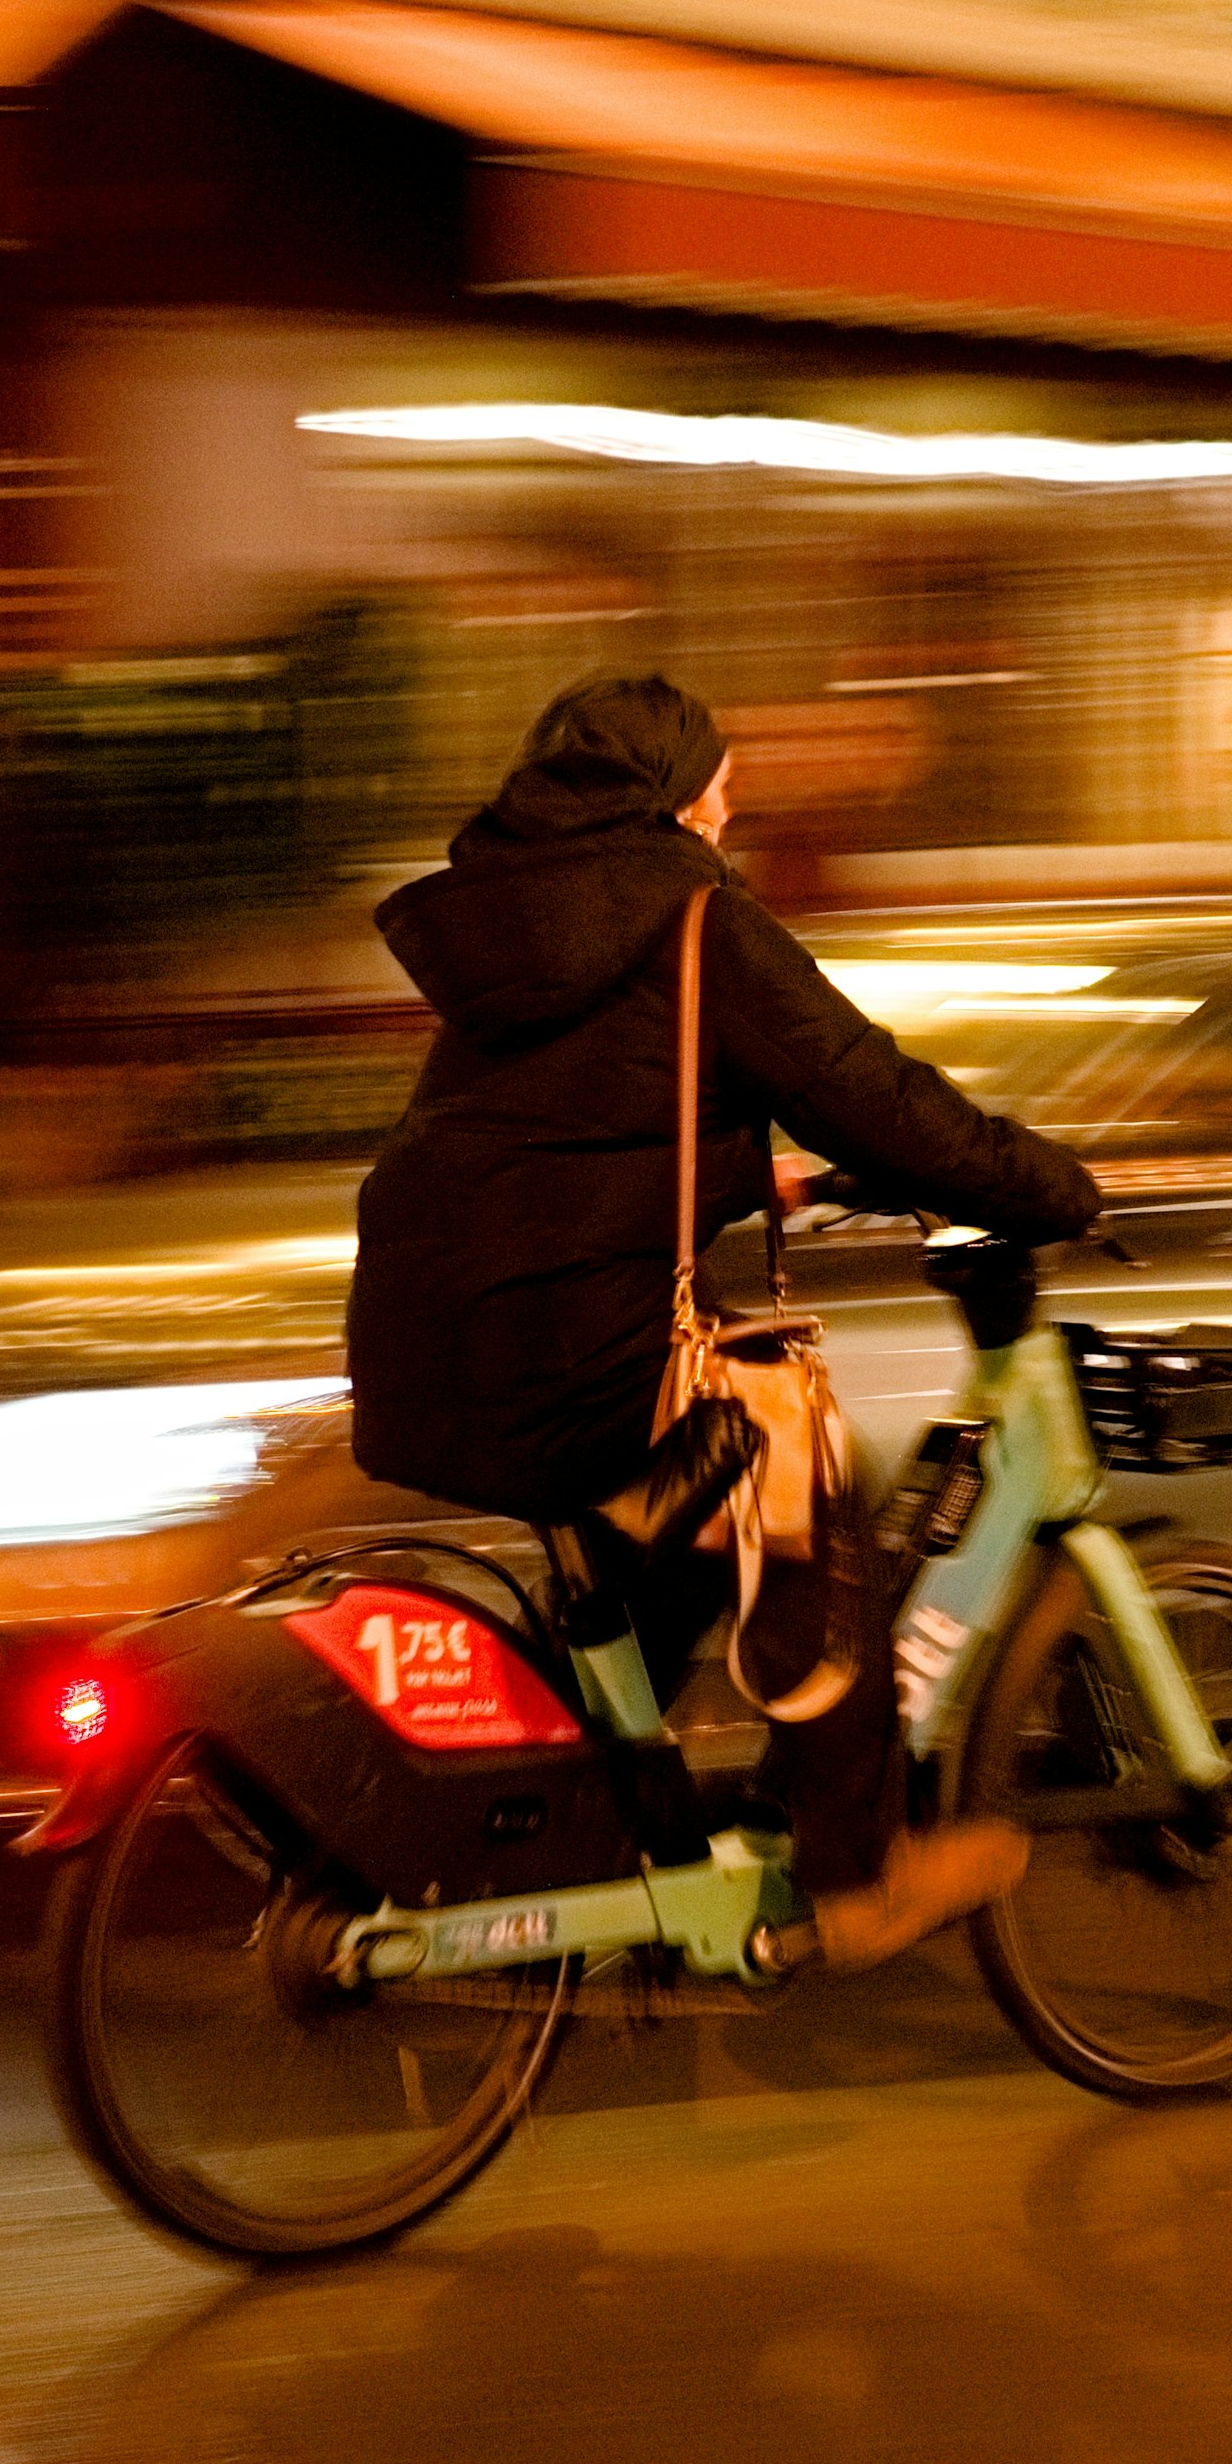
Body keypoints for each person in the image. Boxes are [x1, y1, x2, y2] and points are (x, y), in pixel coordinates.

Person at [348, 673, 1104, 1972]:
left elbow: (565, 1129)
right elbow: (873, 1093)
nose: (732, 801)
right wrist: (1051, 1185)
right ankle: (860, 1873)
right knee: (813, 1486)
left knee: (678, 1530)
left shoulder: (522, 930)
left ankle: (607, 1826)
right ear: (676, 796)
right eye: (721, 779)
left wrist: (763, 1178)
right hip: (584, 1366)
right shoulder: (696, 919)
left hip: (432, 1352)